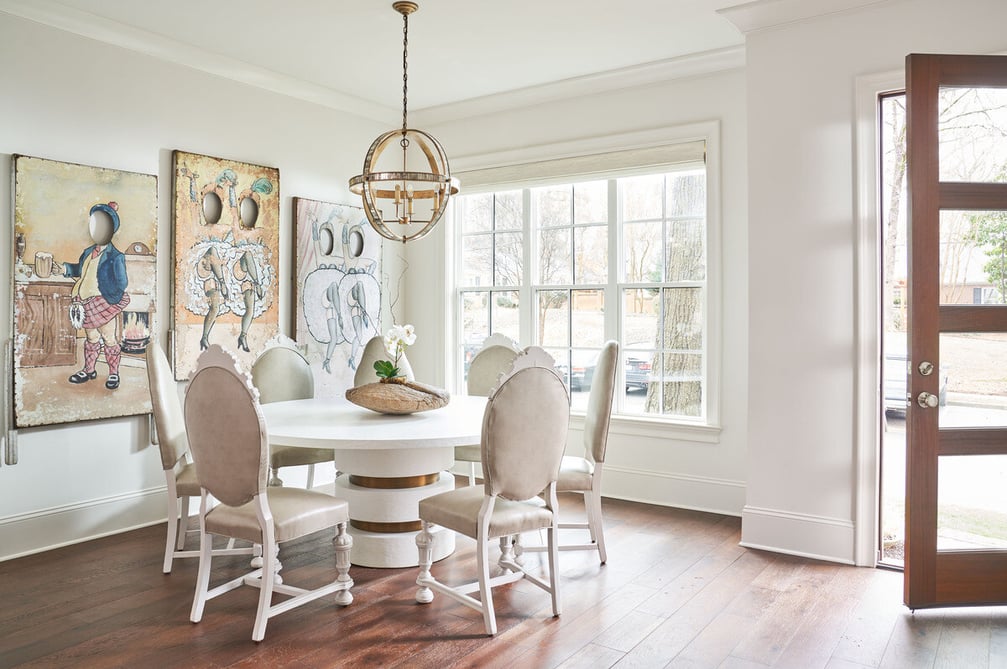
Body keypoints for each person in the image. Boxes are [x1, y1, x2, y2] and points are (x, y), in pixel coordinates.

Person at [52, 202, 130, 390]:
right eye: (94, 224)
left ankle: (113, 373)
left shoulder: (116, 256)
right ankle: (89, 370)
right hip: (84, 302)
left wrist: (109, 299)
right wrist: (63, 268)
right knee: (91, 337)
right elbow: (80, 269)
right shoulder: (88, 251)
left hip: (103, 302)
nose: (97, 229)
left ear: (112, 230)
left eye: (103, 225)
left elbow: (122, 282)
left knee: (108, 338)